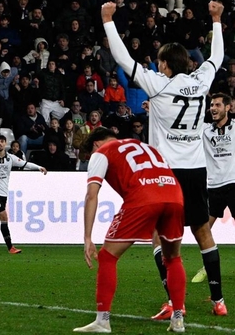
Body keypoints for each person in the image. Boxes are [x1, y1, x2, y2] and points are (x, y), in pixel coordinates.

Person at [102, 0, 227, 318]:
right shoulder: (201, 82)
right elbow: (217, 57)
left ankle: (173, 302)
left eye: (160, 63)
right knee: (202, 231)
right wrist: (216, 19)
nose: (157, 67)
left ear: (167, 65)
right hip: (197, 169)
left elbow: (122, 58)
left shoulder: (158, 85)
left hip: (167, 172)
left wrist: (107, 21)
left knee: (163, 236)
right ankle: (218, 301)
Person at [75, 128, 186, 333]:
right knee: (173, 258)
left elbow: (92, 195)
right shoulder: (144, 146)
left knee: (107, 257)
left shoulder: (102, 151)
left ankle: (102, 321)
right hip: (175, 194)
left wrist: (87, 237)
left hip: (144, 197)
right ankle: (178, 320)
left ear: (96, 144)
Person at [194, 93, 235, 286]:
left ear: (228, 107)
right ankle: (208, 267)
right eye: (211, 105)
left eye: (218, 104)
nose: (213, 108)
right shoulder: (204, 130)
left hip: (234, 183)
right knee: (203, 230)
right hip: (212, 186)